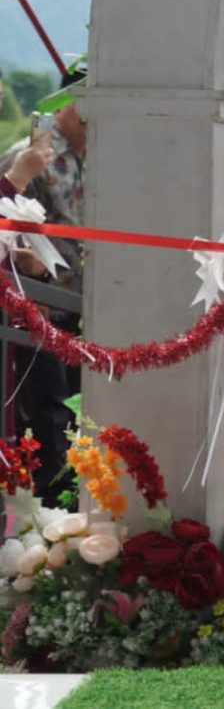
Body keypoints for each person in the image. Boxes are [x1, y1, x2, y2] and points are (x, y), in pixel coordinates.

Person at [0, 71, 87, 505]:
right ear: (66, 102)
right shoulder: (29, 157)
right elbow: (7, 235)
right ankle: (55, 513)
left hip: (90, 308)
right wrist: (29, 270)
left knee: (82, 416)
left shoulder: (109, 155)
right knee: (50, 421)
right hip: (39, 311)